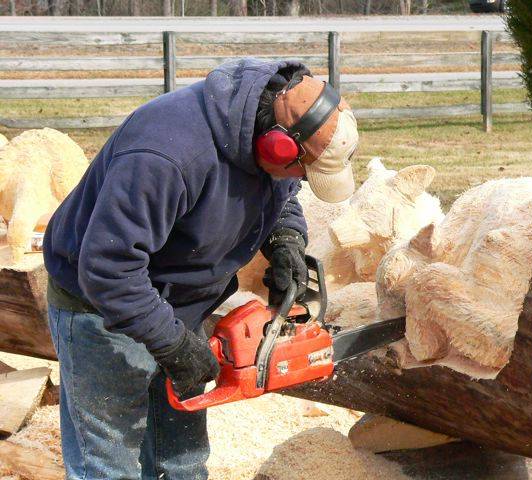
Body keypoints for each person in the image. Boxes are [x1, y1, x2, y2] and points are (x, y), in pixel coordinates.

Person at [43, 58, 359, 479]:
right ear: (276, 145)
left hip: (181, 303)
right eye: (302, 167)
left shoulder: (270, 129)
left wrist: (285, 241)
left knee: (182, 462)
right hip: (101, 311)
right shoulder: (165, 154)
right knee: (107, 464)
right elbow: (107, 267)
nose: (301, 177)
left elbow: (282, 191)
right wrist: (172, 345)